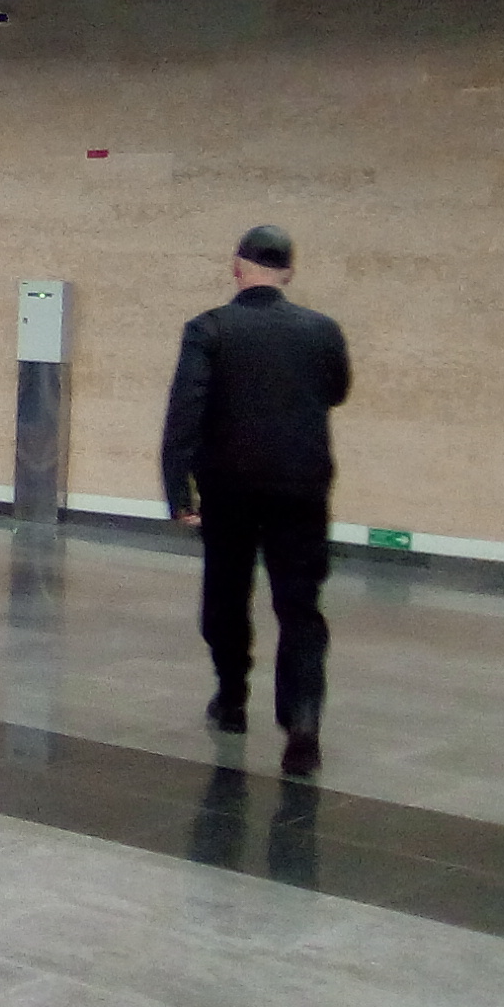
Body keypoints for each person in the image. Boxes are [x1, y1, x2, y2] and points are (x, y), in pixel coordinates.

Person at [159, 226, 352, 776]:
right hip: (301, 487)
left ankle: (232, 697)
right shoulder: (322, 330)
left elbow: (185, 413)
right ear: (288, 271)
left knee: (226, 593)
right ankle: (303, 724)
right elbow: (337, 391)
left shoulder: (209, 329)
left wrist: (179, 493)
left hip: (229, 488)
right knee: (300, 605)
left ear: (236, 267)